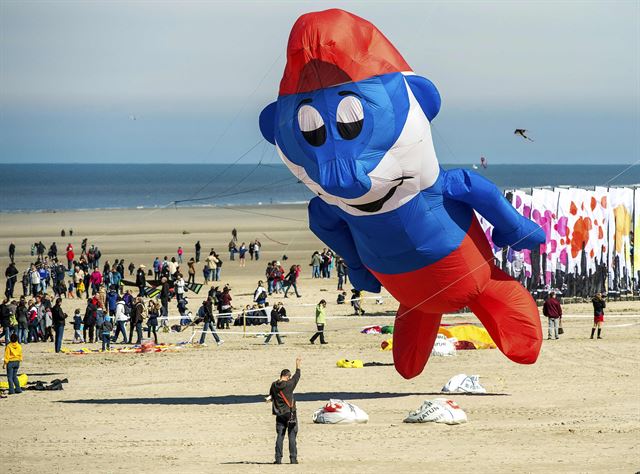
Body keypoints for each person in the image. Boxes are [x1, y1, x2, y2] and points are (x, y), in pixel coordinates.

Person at [267, 357, 301, 464]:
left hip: (279, 414)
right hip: (290, 413)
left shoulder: (274, 385)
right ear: (286, 376)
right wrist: (298, 365)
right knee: (292, 436)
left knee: (280, 436)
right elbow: (297, 376)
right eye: (289, 377)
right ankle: (293, 459)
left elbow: (271, 395)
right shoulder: (289, 384)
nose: (290, 378)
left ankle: (278, 459)